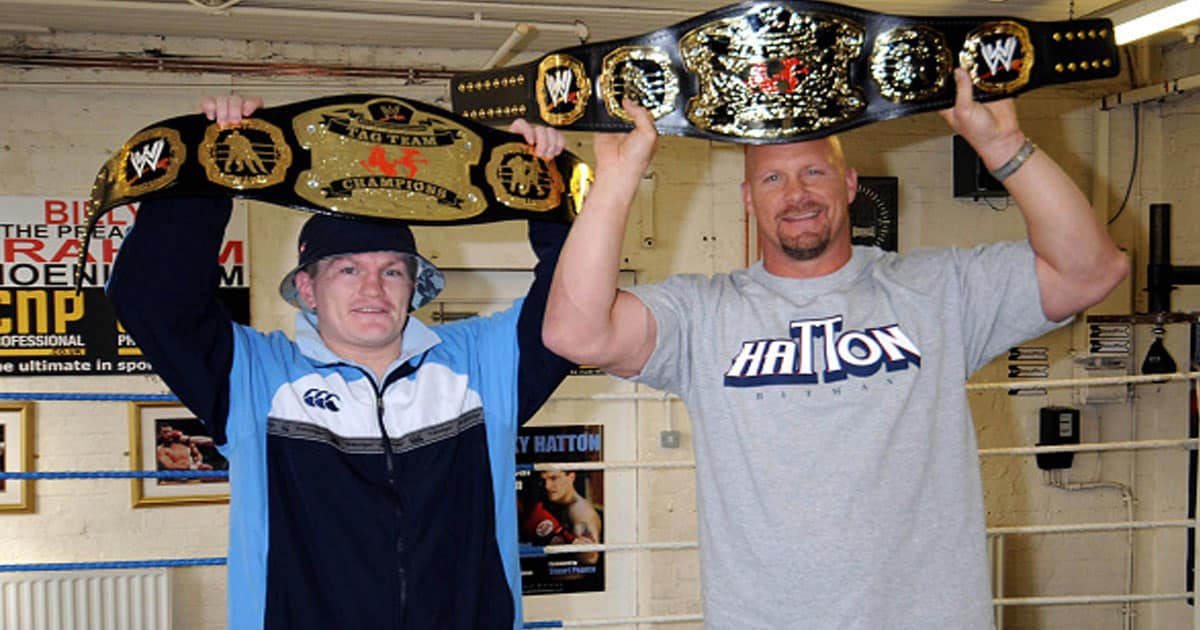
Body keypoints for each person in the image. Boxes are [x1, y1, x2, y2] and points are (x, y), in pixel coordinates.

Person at [542, 67, 1130, 629]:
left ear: (849, 185)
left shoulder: (935, 293)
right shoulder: (704, 315)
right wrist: (616, 180)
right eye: (773, 179)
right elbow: (574, 333)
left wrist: (1005, 147)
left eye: (814, 173)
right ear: (749, 199)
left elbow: (1090, 272)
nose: (796, 193)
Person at [107, 94, 574, 630]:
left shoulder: (481, 363)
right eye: (347, 270)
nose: (373, 288)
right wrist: (207, 169)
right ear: (307, 288)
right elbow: (152, 299)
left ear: (415, 286)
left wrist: (550, 193)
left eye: (392, 271)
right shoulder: (256, 376)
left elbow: (574, 304)